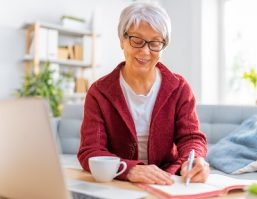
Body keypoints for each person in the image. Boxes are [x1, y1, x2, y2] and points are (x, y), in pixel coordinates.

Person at [78, 2, 209, 185]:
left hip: (169, 181)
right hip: (120, 183)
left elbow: (191, 138)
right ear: (122, 40)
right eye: (136, 40)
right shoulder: (99, 92)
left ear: (163, 46)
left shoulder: (179, 88)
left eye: (155, 43)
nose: (145, 51)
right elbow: (91, 151)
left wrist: (194, 160)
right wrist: (130, 170)